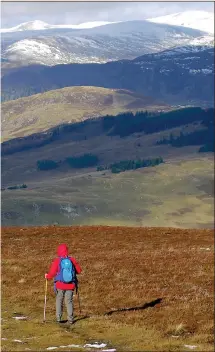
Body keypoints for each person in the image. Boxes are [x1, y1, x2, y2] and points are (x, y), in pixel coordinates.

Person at [45, 243, 82, 324]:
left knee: (59, 300)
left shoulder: (57, 260)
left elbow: (52, 273)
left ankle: (58, 318)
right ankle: (70, 319)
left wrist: (47, 276)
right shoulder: (72, 260)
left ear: (59, 251)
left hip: (60, 285)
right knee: (69, 301)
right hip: (70, 284)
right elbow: (79, 271)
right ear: (67, 251)